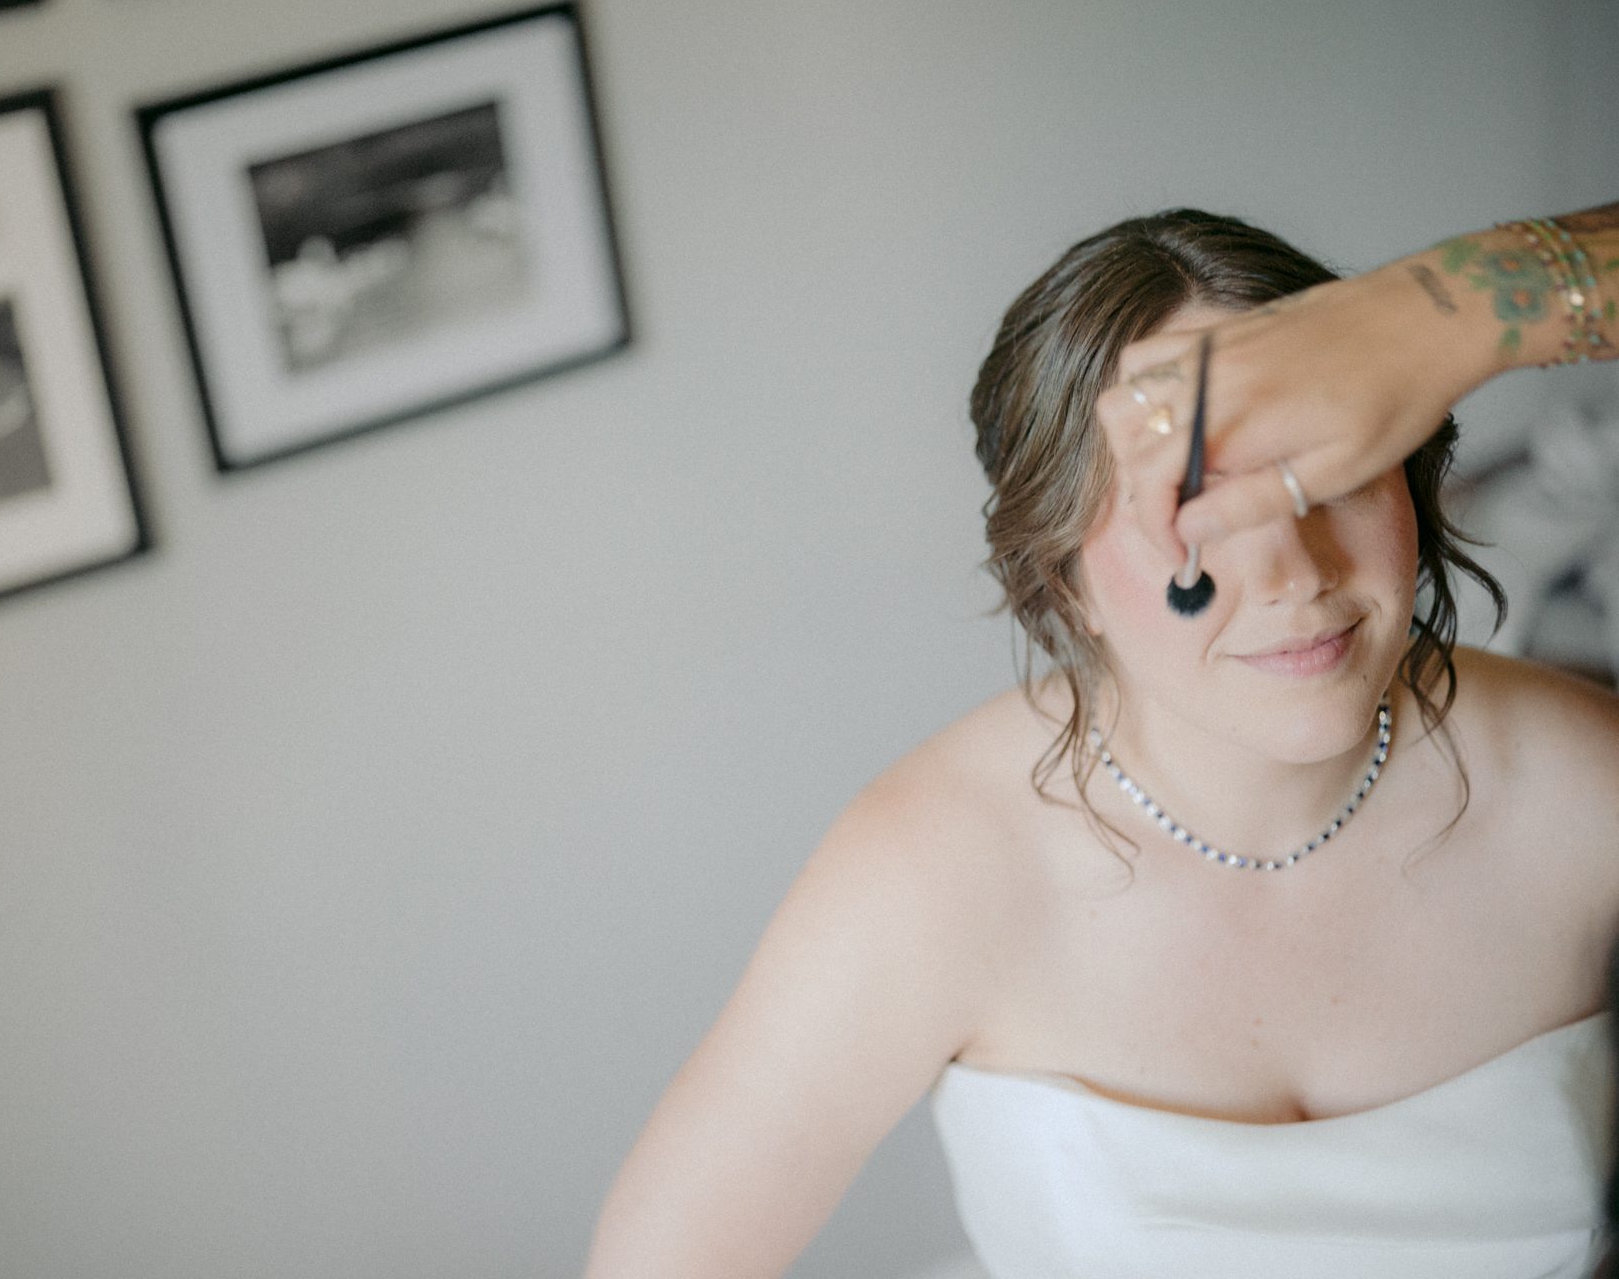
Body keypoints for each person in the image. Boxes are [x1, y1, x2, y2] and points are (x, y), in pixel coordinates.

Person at [583, 207, 1619, 1278]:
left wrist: (1481, 303)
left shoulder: (1587, 786)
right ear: (1063, 580)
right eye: (1192, 510)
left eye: (1329, 472)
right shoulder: (931, 868)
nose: (1295, 574)